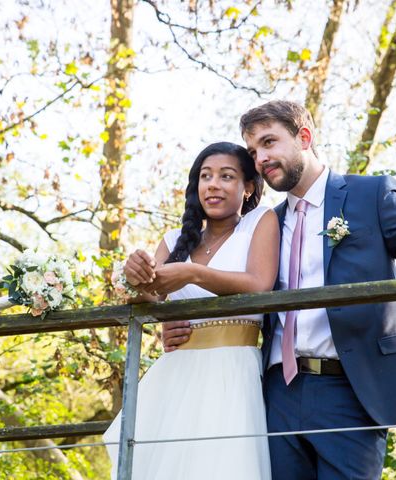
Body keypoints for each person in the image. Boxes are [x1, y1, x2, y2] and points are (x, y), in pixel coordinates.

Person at [162, 101, 396, 479]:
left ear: (304, 137)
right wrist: (183, 326)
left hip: (349, 386)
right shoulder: (266, 224)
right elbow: (238, 291)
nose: (261, 158)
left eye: (269, 142)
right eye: (254, 150)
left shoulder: (370, 194)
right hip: (276, 392)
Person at [103, 141, 279, 479]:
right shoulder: (173, 241)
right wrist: (136, 277)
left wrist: (193, 273)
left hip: (233, 368)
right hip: (177, 372)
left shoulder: (260, 222)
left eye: (226, 176)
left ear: (248, 188)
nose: (213, 184)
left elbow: (259, 283)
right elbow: (148, 298)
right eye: (205, 176)